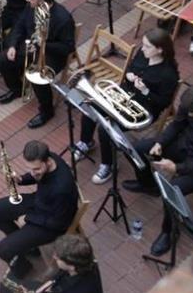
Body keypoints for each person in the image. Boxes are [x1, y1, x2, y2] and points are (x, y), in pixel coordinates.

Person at [123, 84, 193, 257]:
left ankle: (169, 232)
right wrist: (160, 143)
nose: (190, 116)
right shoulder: (190, 104)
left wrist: (176, 168)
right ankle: (148, 185)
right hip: (184, 145)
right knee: (139, 148)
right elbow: (176, 125)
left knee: (174, 189)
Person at [71, 28, 179, 185]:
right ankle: (86, 142)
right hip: (123, 96)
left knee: (105, 128)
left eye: (147, 46)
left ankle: (108, 165)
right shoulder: (143, 54)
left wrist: (145, 91)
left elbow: (163, 103)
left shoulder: (169, 75)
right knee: (90, 106)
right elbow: (131, 69)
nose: (142, 49)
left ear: (160, 49)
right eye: (143, 45)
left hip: (143, 109)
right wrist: (129, 75)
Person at [0, 140, 80, 279]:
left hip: (50, 224)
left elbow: (59, 223)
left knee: (3, 250)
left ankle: (23, 268)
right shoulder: (48, 158)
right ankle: (27, 246)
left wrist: (27, 219)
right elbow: (35, 176)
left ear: (48, 162)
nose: (33, 173)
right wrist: (21, 179)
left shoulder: (62, 188)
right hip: (39, 203)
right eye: (30, 168)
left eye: (36, 169)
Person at [0, 0, 75, 128]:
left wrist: (43, 44)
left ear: (41, 0)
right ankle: (17, 89)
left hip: (52, 55)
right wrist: (12, 45)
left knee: (38, 77)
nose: (27, 0)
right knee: (1, 60)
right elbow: (20, 24)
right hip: (32, 46)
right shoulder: (31, 7)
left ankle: (46, 111)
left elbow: (68, 48)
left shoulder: (63, 18)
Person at [30, 234, 105, 293]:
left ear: (72, 266)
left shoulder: (77, 290)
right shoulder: (89, 263)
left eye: (58, 257)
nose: (54, 257)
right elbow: (58, 277)